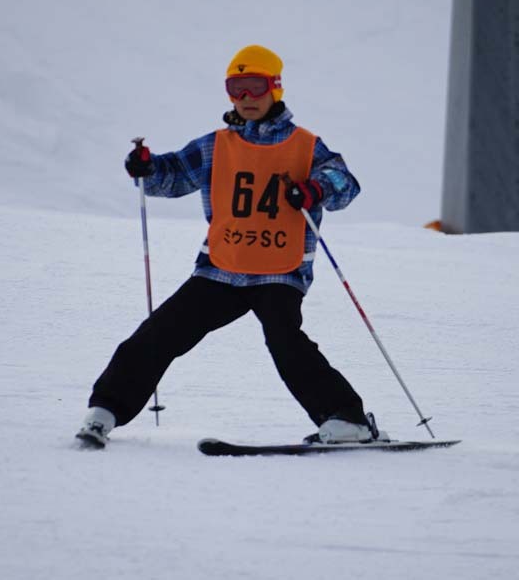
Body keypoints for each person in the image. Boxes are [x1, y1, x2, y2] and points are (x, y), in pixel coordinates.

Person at [76, 44, 386, 448]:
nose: (245, 97)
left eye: (255, 86)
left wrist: (316, 188)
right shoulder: (215, 145)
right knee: (159, 333)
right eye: (236, 88)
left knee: (285, 342)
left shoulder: (306, 146)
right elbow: (172, 177)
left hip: (279, 270)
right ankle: (105, 411)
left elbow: (345, 183)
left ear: (275, 87)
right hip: (221, 268)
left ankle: (348, 420)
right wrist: (146, 168)